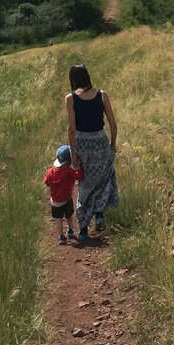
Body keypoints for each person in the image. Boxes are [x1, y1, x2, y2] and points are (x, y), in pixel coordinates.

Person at [66, 63, 118, 240]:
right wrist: (113, 144)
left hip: (82, 143)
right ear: (88, 76)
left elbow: (72, 129)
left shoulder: (71, 98)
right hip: (100, 141)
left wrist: (73, 154)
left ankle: (83, 229)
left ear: (73, 80)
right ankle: (100, 214)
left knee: (84, 184)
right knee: (104, 177)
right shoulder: (102, 95)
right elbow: (112, 123)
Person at [43, 144, 83, 245]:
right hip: (67, 199)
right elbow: (79, 176)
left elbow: (47, 182)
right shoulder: (69, 171)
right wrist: (78, 167)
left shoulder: (50, 172)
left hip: (55, 201)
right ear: (70, 161)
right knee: (69, 215)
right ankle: (70, 229)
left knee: (58, 218)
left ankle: (61, 236)